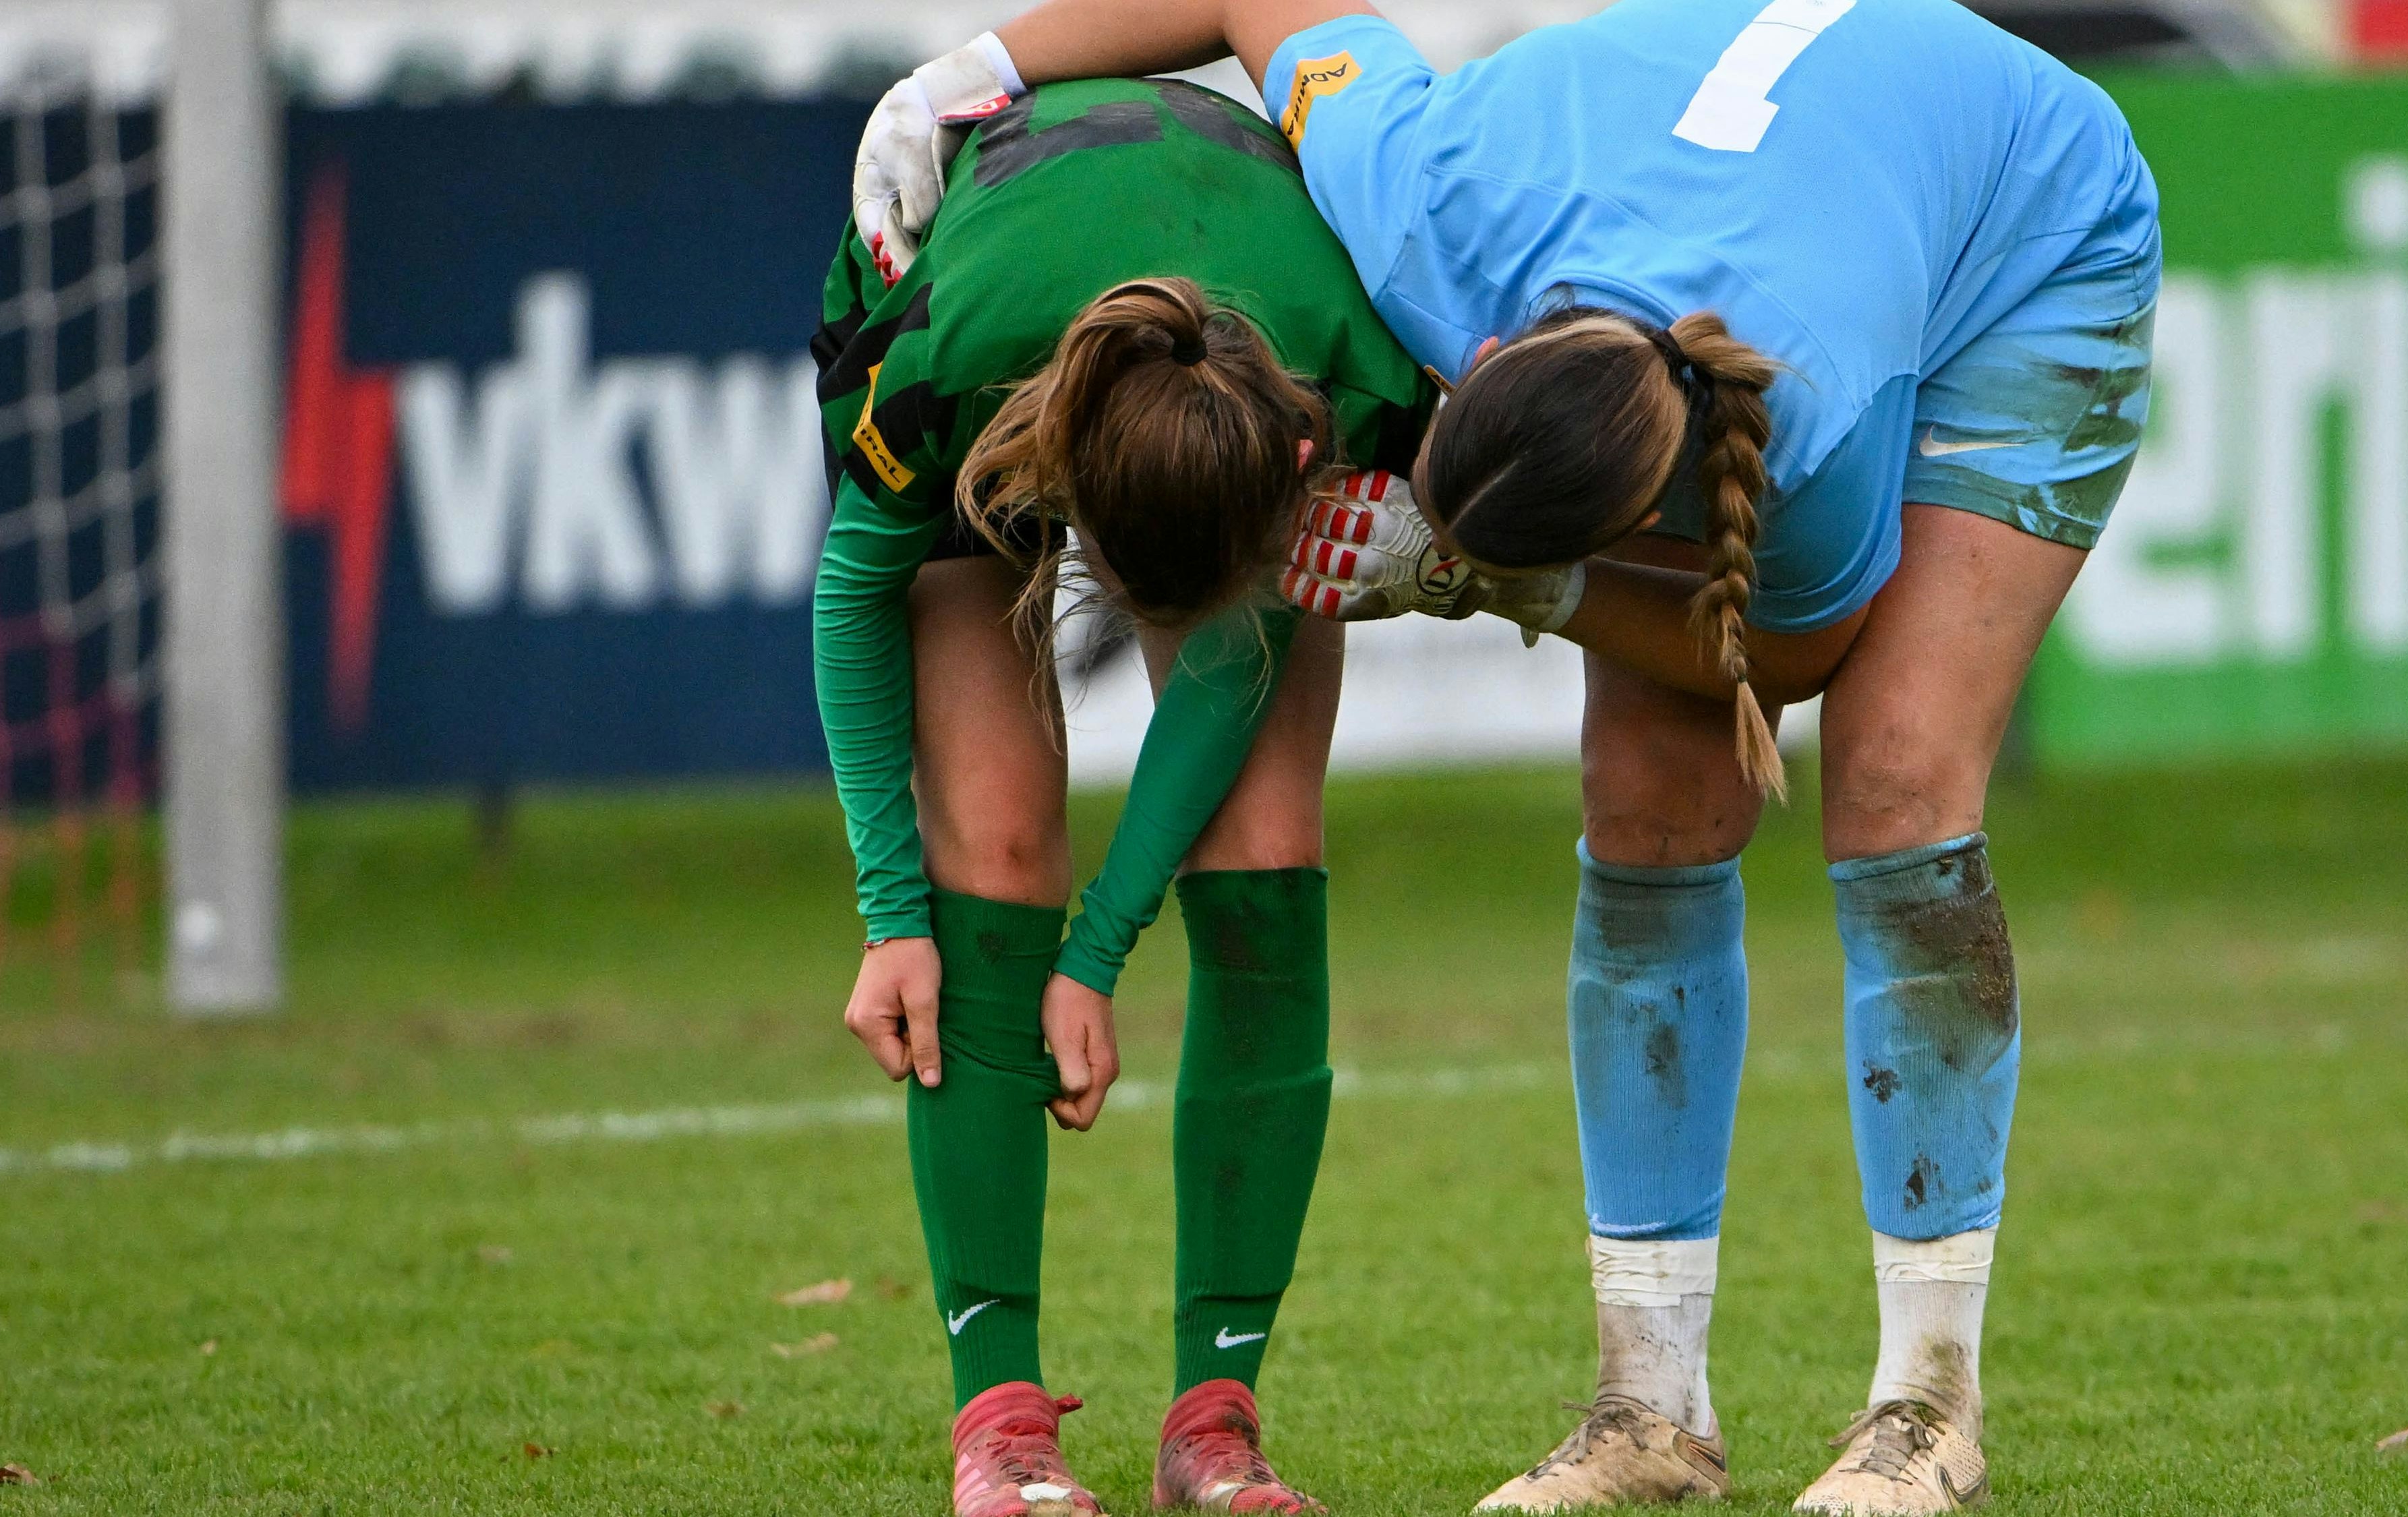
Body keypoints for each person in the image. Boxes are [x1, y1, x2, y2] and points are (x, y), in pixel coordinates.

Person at [858, 3, 2158, 1513]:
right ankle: (1647, 1409)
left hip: (2026, 227)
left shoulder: (1806, 415)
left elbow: (1792, 655)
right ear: (1473, 357)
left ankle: (1926, 1407)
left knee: (1891, 776)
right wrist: (975, 71)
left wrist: (1514, 584)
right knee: (1647, 797)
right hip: (1755, 163)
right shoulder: (1420, 209)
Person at [819, 68, 1435, 1517]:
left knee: (1268, 847)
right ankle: (1001, 1426)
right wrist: (888, 912)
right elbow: (854, 597)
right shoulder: (943, 357)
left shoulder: (1354, 379)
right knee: (997, 841)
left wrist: (1103, 952)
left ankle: (1214, 1421)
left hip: (1242, 307)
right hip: (996, 307)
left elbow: (1229, 668)